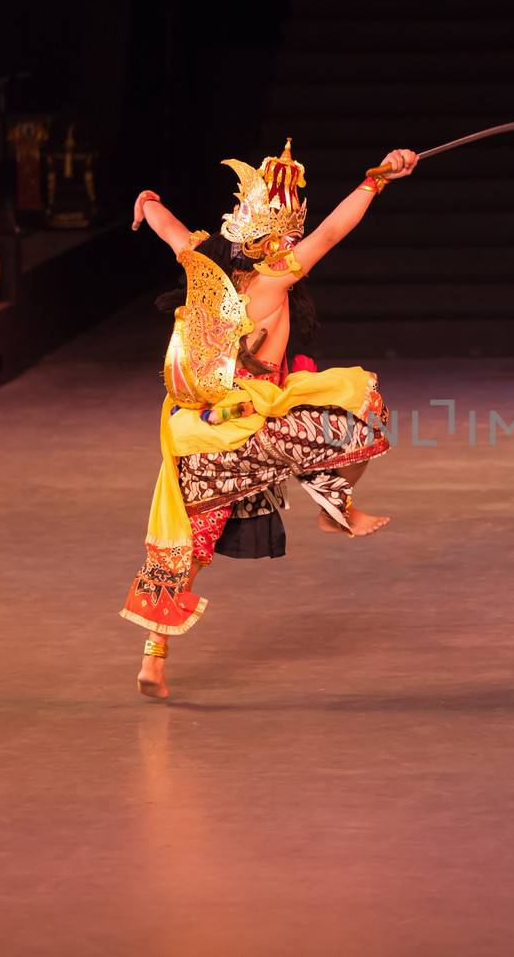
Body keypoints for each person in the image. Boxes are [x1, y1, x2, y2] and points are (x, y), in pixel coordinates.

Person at [122, 139, 417, 700]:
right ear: (266, 245)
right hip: (253, 428)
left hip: (198, 438)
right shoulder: (274, 281)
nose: (291, 248)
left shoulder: (204, 267)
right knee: (361, 412)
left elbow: (170, 229)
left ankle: (153, 659)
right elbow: (331, 233)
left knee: (190, 548)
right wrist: (375, 180)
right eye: (284, 240)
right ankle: (337, 508)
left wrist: (147, 201)